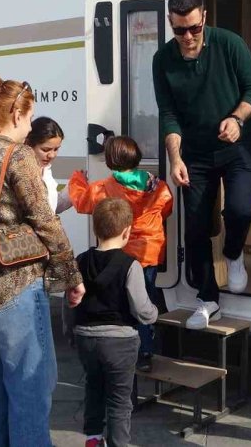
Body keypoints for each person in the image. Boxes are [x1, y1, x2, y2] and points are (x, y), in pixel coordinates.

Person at [0, 75, 84, 447]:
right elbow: (45, 220)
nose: (29, 126)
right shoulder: (17, 155)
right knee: (29, 391)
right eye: (30, 116)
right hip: (12, 287)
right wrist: (71, 276)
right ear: (17, 114)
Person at [152, 0, 251, 329]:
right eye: (179, 30)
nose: (187, 37)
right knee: (196, 228)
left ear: (204, 19)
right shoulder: (163, 60)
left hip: (238, 146)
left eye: (194, 29)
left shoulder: (230, 44)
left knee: (240, 211)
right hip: (195, 153)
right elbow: (168, 114)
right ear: (171, 25)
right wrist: (175, 159)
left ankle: (233, 254)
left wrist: (237, 118)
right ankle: (208, 298)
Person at [69, 136, 173, 371]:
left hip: (121, 256)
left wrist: (77, 179)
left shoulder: (103, 188)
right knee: (145, 298)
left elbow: (81, 202)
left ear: (109, 160)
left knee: (124, 301)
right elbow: (167, 208)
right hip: (150, 252)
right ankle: (147, 350)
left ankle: (131, 348)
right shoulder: (157, 185)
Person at [75, 198, 159, 447]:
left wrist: (72, 334)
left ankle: (92, 438)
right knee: (120, 400)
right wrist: (155, 314)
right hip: (119, 342)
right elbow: (141, 309)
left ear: (95, 229)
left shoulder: (80, 260)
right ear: (127, 231)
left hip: (86, 339)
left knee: (94, 388)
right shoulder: (130, 265)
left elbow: (70, 302)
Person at [26, 116, 72, 214]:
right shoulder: (21, 172)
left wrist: (74, 188)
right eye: (45, 150)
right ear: (29, 144)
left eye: (56, 149)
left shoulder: (46, 169)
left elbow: (52, 206)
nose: (51, 155)